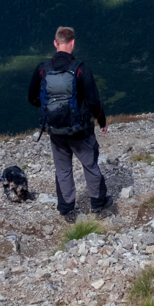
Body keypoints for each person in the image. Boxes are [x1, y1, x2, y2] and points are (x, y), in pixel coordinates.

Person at [27, 26, 112, 219]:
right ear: (72, 43)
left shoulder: (43, 69)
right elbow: (93, 101)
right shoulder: (81, 68)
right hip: (80, 129)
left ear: (55, 44)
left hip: (55, 129)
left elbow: (32, 98)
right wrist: (102, 121)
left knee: (63, 169)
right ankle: (98, 203)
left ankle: (67, 209)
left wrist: (52, 109)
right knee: (89, 164)